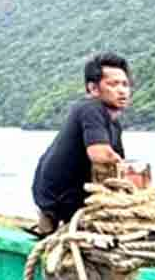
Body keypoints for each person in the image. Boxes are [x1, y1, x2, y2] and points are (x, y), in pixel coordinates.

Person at [31, 53, 133, 235]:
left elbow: (116, 163)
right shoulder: (90, 108)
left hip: (69, 196)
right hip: (59, 198)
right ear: (93, 88)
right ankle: (52, 224)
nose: (122, 90)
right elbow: (101, 155)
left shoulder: (114, 124)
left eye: (125, 84)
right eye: (113, 84)